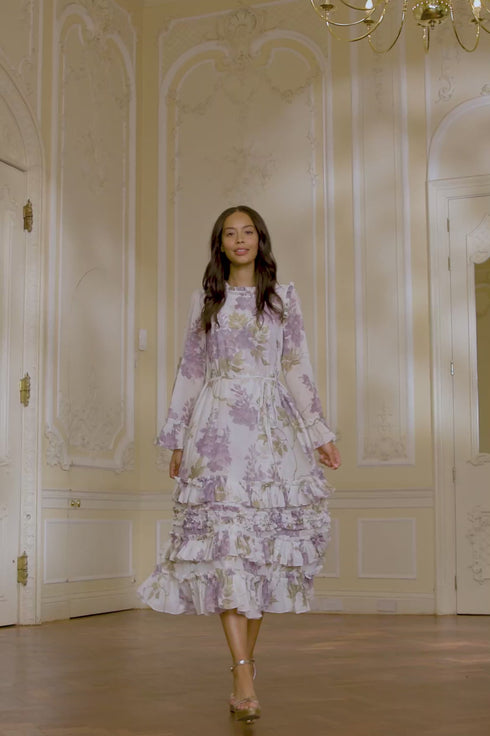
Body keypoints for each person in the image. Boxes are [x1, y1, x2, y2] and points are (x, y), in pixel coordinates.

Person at [138, 205, 341, 723]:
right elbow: (190, 370)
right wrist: (177, 438)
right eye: (230, 233)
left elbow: (296, 366)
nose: (240, 239)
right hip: (217, 434)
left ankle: (242, 666)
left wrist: (318, 432)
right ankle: (244, 673)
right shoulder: (207, 300)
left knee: (259, 555)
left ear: (260, 240)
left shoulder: (282, 299)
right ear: (221, 245)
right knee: (227, 549)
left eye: (247, 231)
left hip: (272, 436)